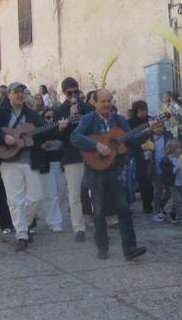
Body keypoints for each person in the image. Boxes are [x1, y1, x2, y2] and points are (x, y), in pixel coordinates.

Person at [0, 81, 64, 251]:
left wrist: (59, 128)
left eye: (22, 92)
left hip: (29, 161)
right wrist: (4, 138)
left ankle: (24, 226)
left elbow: (45, 130)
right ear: (9, 95)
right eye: (16, 92)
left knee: (35, 197)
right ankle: (21, 234)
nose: (20, 95)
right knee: (15, 200)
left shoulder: (32, 115)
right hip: (9, 161)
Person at [72, 89, 147, 262]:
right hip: (95, 170)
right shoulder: (87, 119)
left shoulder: (119, 120)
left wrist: (149, 131)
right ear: (95, 103)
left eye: (109, 101)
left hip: (115, 170)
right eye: (103, 101)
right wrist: (96, 146)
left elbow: (132, 140)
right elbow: (75, 137)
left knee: (123, 208)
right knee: (98, 211)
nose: (106, 104)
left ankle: (130, 249)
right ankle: (102, 247)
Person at [57, 77, 94, 241]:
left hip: (90, 154)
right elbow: (60, 137)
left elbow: (94, 129)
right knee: (74, 195)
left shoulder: (88, 108)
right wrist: (63, 126)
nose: (73, 95)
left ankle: (97, 221)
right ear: (64, 93)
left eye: (76, 92)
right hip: (71, 156)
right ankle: (78, 228)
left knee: (95, 191)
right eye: (69, 92)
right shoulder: (59, 111)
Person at [38, 104, 67, 233]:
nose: (50, 120)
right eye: (47, 117)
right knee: (50, 194)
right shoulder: (40, 129)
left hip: (59, 163)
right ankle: (54, 222)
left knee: (60, 193)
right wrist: (42, 147)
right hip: (46, 164)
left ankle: (53, 216)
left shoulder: (61, 130)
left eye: (52, 117)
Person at [154, 138, 182, 225]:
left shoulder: (179, 158)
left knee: (178, 199)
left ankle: (173, 214)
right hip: (172, 183)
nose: (181, 150)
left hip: (180, 182)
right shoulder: (166, 160)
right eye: (178, 148)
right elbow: (168, 171)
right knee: (178, 200)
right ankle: (181, 216)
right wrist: (177, 167)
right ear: (172, 149)